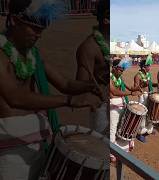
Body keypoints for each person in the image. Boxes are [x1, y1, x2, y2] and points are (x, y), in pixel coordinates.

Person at [0, 0, 103, 178]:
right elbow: (15, 97)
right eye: (33, 28)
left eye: (41, 30)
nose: (38, 35)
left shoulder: (33, 54)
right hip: (11, 150)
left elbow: (66, 84)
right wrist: (68, 101)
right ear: (14, 21)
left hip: (41, 142)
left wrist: (89, 85)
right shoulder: (1, 55)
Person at [76, 0, 108, 134]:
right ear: (106, 19)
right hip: (101, 106)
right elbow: (79, 84)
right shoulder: (89, 47)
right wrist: (93, 86)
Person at [110, 58, 141, 161]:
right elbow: (114, 92)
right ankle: (111, 153)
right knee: (112, 129)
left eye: (123, 70)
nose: (121, 71)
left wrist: (137, 87)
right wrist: (131, 93)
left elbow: (129, 88)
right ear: (113, 68)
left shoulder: (120, 78)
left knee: (121, 125)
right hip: (113, 107)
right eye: (120, 69)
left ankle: (119, 148)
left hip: (121, 104)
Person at [133, 55, 158, 142]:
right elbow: (136, 88)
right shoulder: (138, 76)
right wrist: (143, 84)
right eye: (148, 66)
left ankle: (149, 130)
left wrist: (156, 84)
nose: (150, 67)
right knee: (142, 115)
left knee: (150, 112)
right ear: (144, 67)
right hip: (142, 96)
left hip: (149, 94)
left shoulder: (148, 74)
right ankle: (140, 133)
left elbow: (150, 84)